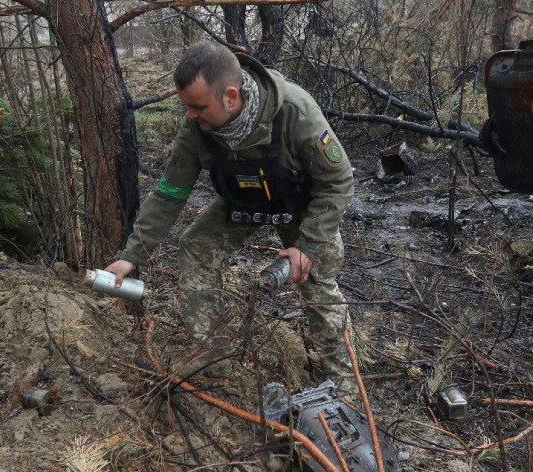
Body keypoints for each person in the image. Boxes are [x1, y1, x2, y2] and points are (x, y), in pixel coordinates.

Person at [104, 41, 355, 382]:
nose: (190, 115)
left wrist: (307, 247)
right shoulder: (195, 126)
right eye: (187, 106)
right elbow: (170, 193)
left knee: (318, 283)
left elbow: (338, 181)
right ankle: (216, 362)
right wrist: (132, 255)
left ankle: (345, 386)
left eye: (198, 106)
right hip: (242, 201)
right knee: (195, 247)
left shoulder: (296, 113)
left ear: (231, 97)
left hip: (302, 205)